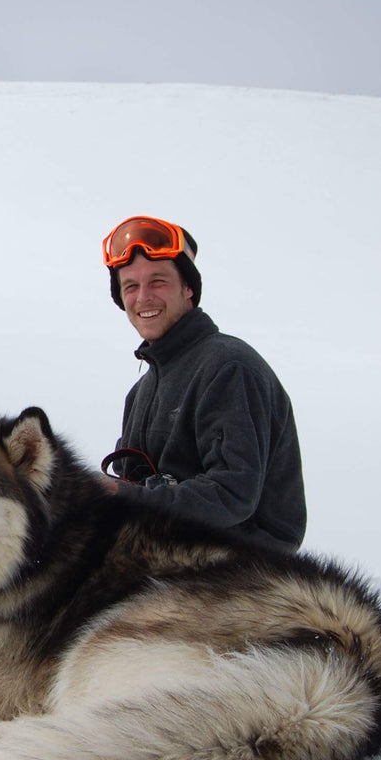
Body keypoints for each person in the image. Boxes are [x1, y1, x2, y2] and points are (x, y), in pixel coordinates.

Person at [99, 215, 306, 552]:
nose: (143, 297)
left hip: (242, 567)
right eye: (131, 286)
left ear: (188, 288)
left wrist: (127, 499)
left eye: (158, 282)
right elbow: (131, 487)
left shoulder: (228, 367)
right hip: (165, 553)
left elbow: (233, 493)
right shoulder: (139, 393)